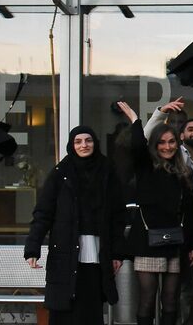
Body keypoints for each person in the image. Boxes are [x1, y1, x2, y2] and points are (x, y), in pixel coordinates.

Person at [25, 126, 127, 325]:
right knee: (63, 306)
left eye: (88, 140)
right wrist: (32, 247)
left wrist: (117, 252)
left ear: (95, 143)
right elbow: (43, 213)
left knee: (91, 305)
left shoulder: (107, 170)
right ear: (71, 145)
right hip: (65, 249)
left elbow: (117, 215)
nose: (84, 145)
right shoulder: (60, 172)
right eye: (78, 141)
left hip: (97, 251)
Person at [117, 102, 193, 325]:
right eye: (162, 142)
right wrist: (137, 119)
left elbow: (191, 212)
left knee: (171, 299)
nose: (167, 146)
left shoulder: (185, 173)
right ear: (155, 145)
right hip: (147, 242)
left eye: (172, 141)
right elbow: (137, 146)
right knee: (147, 298)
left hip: (175, 243)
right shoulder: (145, 168)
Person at [145, 98, 193, 325]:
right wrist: (159, 113)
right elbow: (143, 142)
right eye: (191, 129)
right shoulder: (174, 159)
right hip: (170, 236)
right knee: (166, 295)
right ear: (181, 137)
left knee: (188, 291)